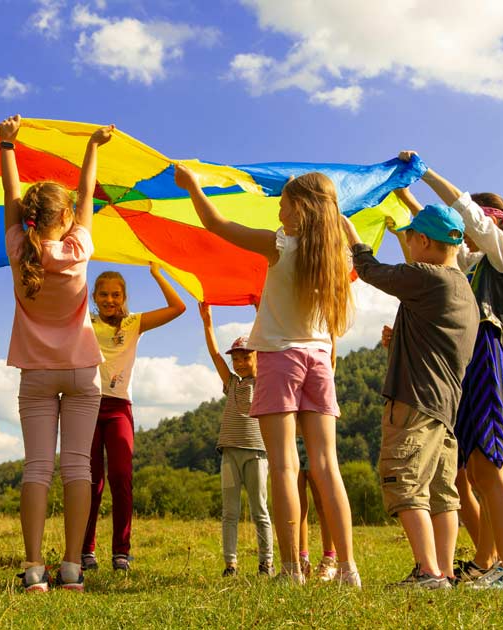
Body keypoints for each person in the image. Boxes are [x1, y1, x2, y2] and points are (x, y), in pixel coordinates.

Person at [174, 165, 360, 586]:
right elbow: (351, 238)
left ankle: (292, 569)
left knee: (283, 466)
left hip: (279, 357)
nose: (279, 207)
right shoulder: (339, 256)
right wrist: (341, 222)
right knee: (328, 466)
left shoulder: (281, 246)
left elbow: (216, 223)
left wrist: (193, 187)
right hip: (319, 359)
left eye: (284, 201)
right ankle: (348, 568)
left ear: (301, 209)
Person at [404, 152, 503, 592]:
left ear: (492, 224)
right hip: (472, 359)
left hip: (487, 357)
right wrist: (407, 198)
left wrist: (425, 173)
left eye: (473, 225)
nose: (464, 234)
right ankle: (498, 565)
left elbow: (462, 211)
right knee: (480, 471)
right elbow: (445, 237)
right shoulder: (478, 262)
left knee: (490, 469)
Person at [0, 114, 114, 592]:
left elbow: (9, 198)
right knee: (78, 468)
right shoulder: (79, 249)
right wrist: (92, 146)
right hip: (82, 371)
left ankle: (32, 569)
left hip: (36, 375)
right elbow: (88, 194)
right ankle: (71, 567)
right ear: (65, 219)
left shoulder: (17, 249)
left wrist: (7, 145)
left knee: (37, 468)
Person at [343, 201, 479, 589]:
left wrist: (351, 236)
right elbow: (438, 344)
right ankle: (445, 571)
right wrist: (400, 340)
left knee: (405, 482)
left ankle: (427, 571)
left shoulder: (430, 277)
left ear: (422, 240)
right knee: (441, 493)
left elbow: (370, 270)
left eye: (410, 239)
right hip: (443, 407)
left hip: (414, 401)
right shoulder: (462, 289)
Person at [81, 265, 186, 572]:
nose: (110, 299)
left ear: (124, 296)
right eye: (104, 294)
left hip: (119, 409)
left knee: (121, 478)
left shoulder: (134, 323)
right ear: (94, 297)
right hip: (87, 405)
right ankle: (86, 550)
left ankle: (121, 552)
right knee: (91, 482)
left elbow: (178, 307)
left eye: (116, 294)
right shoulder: (85, 322)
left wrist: (157, 273)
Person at [199, 306, 273, 578]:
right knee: (229, 512)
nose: (240, 363)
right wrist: (208, 323)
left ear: (257, 357)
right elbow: (215, 355)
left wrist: (260, 311)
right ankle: (230, 564)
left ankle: (266, 562)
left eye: (246, 357)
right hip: (229, 454)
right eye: (237, 359)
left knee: (260, 510)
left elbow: (268, 342)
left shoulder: (264, 380)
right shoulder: (230, 382)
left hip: (256, 454)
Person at [454, 312, 503, 582]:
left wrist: (486, 344)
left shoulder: (501, 288)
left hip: (490, 376)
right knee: (476, 474)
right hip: (469, 379)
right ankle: (485, 560)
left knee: (492, 471)